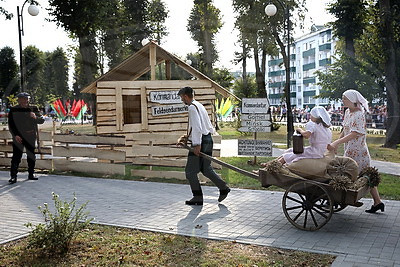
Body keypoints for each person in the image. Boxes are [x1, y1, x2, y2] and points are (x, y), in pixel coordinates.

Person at [327, 89, 384, 213]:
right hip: (350, 149)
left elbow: (355, 133)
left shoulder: (359, 114)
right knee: (366, 176)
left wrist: (337, 143)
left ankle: (335, 198)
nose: (343, 100)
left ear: (352, 100)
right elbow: (345, 129)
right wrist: (337, 141)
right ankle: (378, 202)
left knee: (352, 174)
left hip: (358, 151)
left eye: (345, 98)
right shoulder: (348, 112)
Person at [177, 86, 230, 205]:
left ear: (186, 96)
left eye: (182, 98)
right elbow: (204, 126)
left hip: (201, 141)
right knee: (206, 169)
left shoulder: (192, 107)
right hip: (208, 140)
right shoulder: (199, 105)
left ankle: (197, 197)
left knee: (190, 172)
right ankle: (223, 188)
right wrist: (187, 139)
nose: (182, 100)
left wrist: (196, 144)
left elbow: (197, 127)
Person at [8, 92, 45, 184]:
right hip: (18, 137)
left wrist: (35, 117)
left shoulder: (33, 108)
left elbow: (42, 120)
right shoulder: (14, 109)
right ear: (19, 100)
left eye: (26, 99)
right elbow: (11, 125)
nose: (25, 101)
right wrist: (15, 135)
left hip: (30, 136)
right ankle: (13, 176)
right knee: (16, 157)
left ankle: (31, 174)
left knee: (31, 156)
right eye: (22, 99)